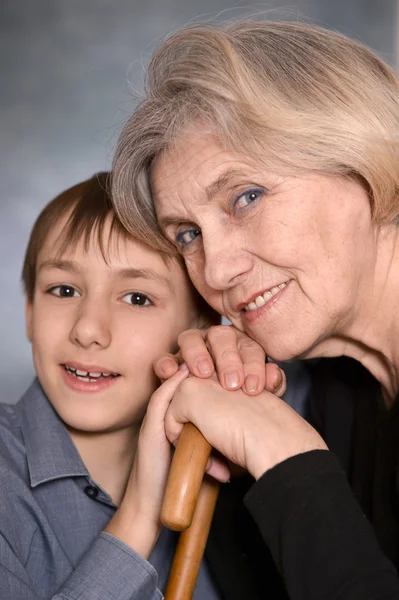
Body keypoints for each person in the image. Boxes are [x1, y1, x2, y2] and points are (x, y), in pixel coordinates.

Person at [111, 20, 399, 599]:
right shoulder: (343, 392)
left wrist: (284, 455)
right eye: (187, 234)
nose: (215, 272)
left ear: (364, 158)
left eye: (246, 197)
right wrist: (236, 456)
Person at [4, 171, 278, 599]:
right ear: (29, 314)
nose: (89, 329)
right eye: (63, 289)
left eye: (137, 298)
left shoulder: (226, 467)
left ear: (202, 330)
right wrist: (140, 516)